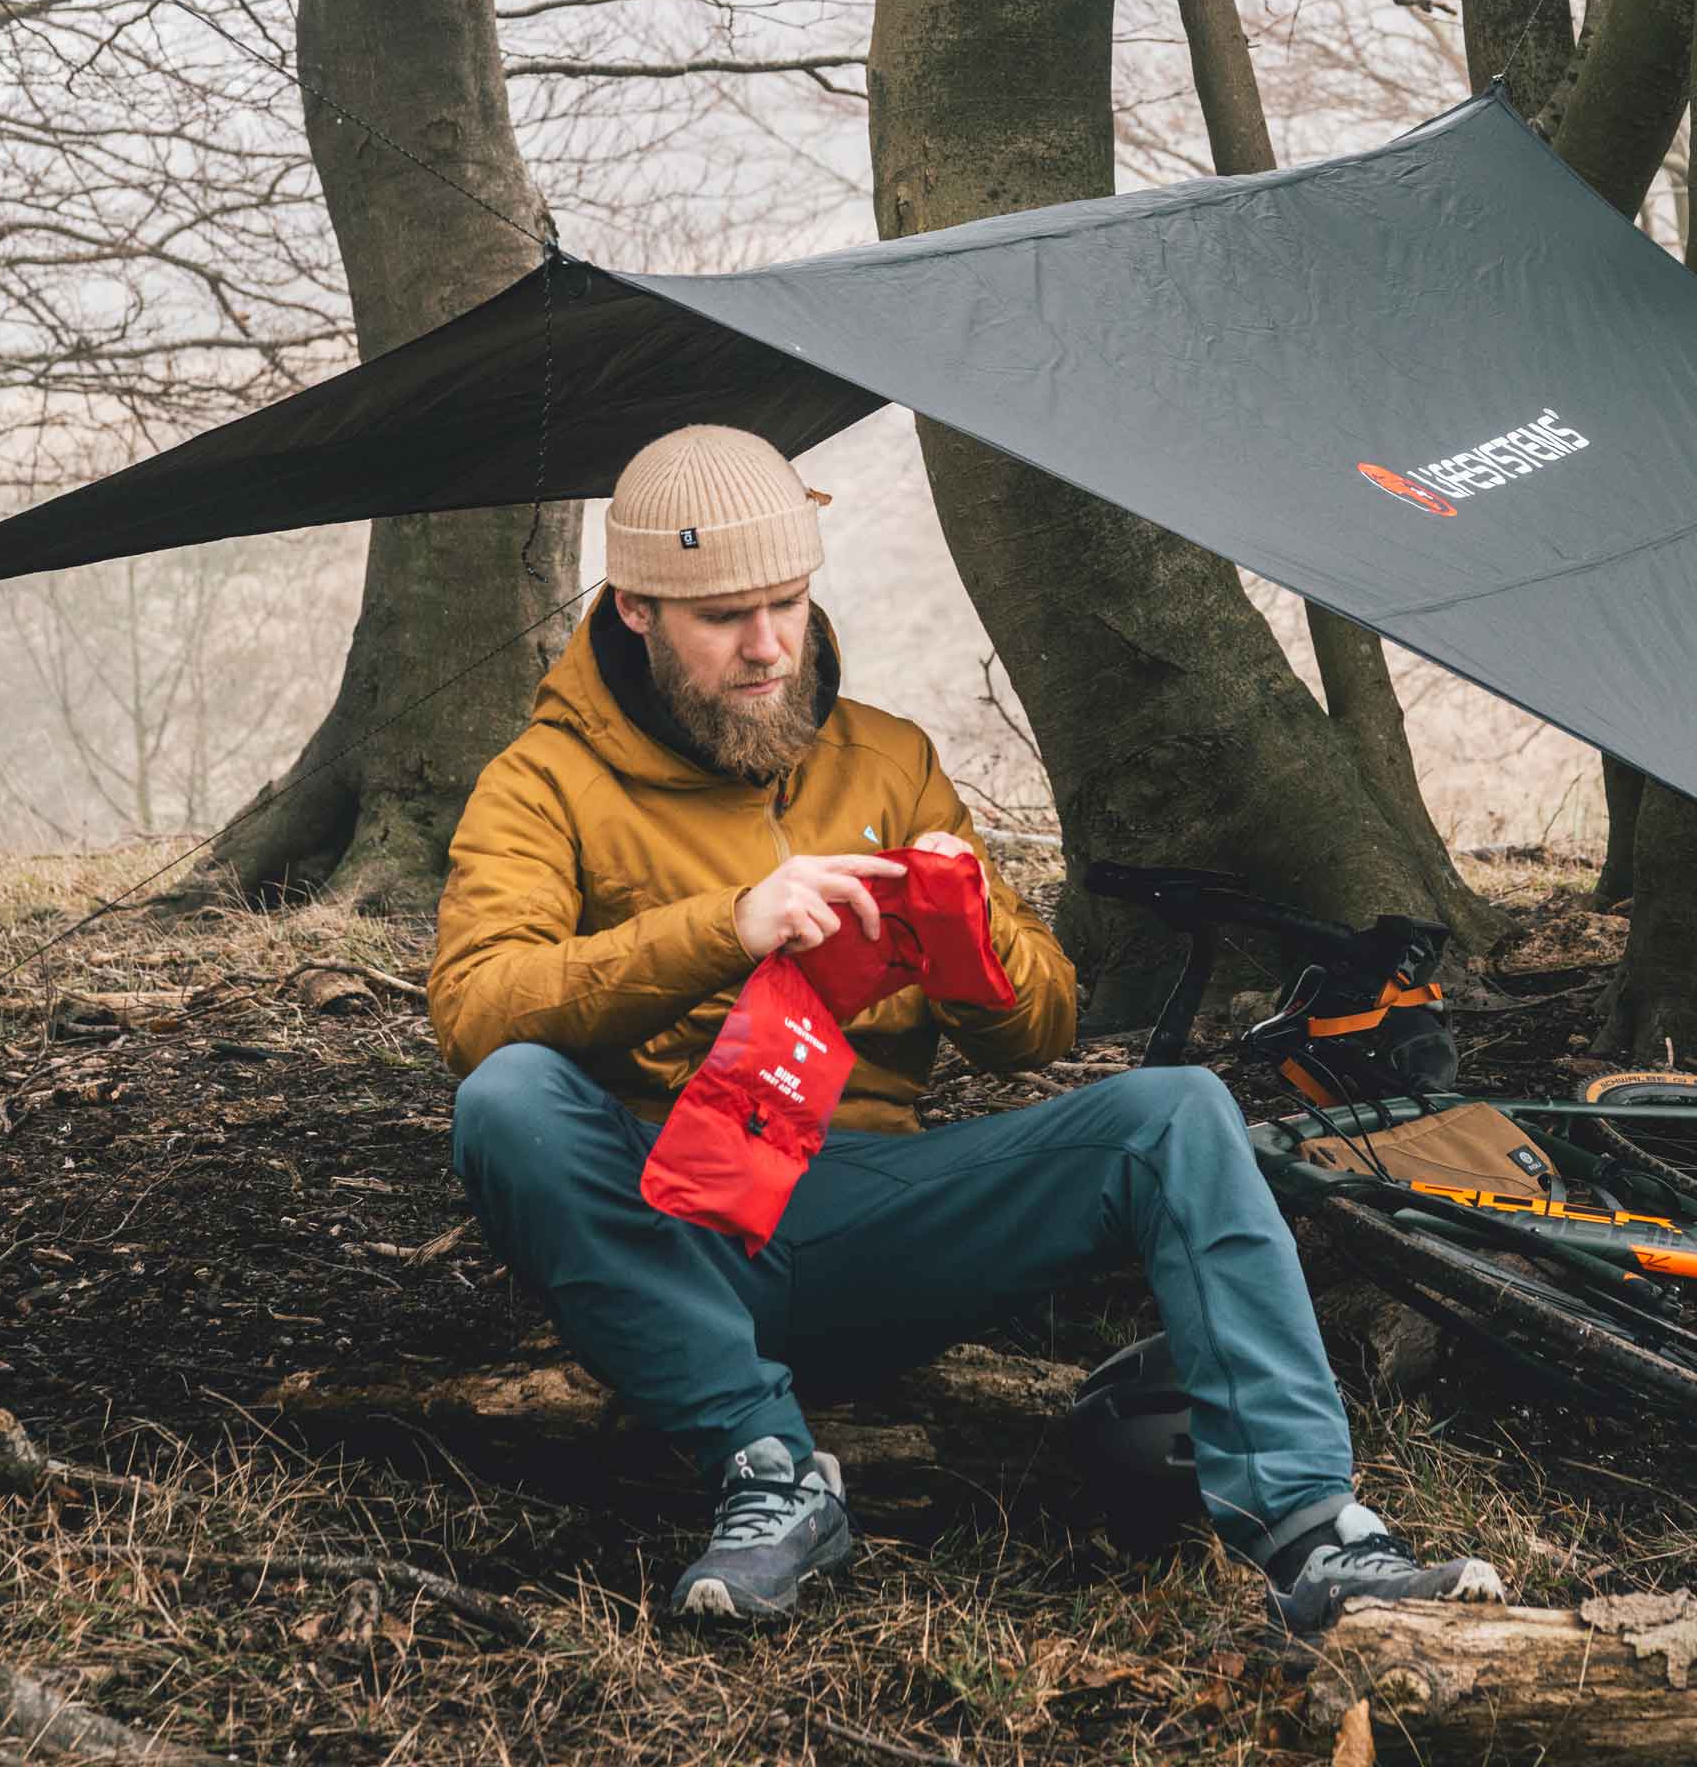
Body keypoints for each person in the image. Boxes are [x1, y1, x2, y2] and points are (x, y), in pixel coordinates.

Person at [428, 424, 1505, 1630]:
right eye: (723, 617)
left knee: (1176, 1114)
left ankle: (1313, 1532)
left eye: (787, 603)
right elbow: (477, 1007)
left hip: (872, 1213)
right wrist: (725, 927)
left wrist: (971, 954)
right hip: (672, 1218)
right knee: (507, 1101)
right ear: (635, 609)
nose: (769, 645)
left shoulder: (888, 761)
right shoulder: (543, 781)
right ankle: (770, 1473)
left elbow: (1035, 1031)